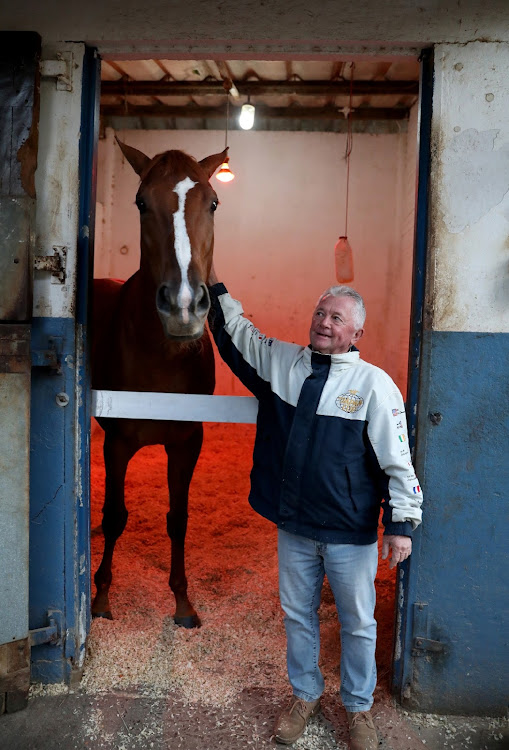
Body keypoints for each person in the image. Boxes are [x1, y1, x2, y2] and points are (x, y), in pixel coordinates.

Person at [206, 267, 423, 750]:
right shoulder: (283, 363)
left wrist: (402, 523)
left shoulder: (374, 386)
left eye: (337, 317)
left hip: (350, 533)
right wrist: (212, 284)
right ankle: (305, 695)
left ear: (356, 334)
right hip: (296, 527)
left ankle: (358, 708)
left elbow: (398, 461)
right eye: (320, 313)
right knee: (298, 615)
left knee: (358, 623)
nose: (325, 322)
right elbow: (238, 334)